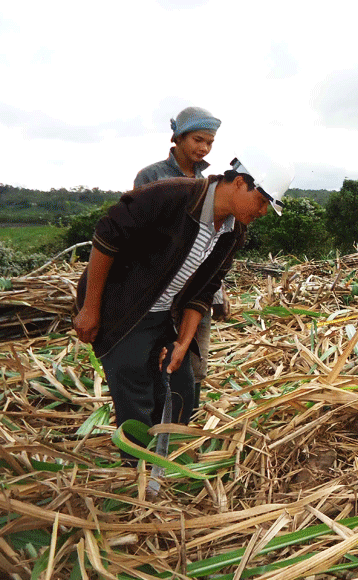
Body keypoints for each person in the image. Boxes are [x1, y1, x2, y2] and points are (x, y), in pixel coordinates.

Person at [74, 151, 294, 463]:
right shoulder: (171, 197)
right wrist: (90, 308)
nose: (263, 212)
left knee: (181, 391)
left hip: (165, 314)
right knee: (137, 391)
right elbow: (106, 237)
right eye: (262, 201)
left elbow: (203, 292)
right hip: (122, 310)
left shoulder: (233, 232)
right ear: (241, 183)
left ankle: (169, 460)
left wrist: (183, 342)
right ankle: (138, 469)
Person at [134, 107, 226, 400]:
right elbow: (138, 234)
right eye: (198, 139)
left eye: (210, 143)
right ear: (178, 137)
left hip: (196, 289)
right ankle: (154, 420)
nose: (204, 148)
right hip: (160, 287)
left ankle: (186, 418)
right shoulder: (151, 176)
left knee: (195, 356)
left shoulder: (207, 183)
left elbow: (212, 242)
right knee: (157, 356)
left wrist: (218, 291)